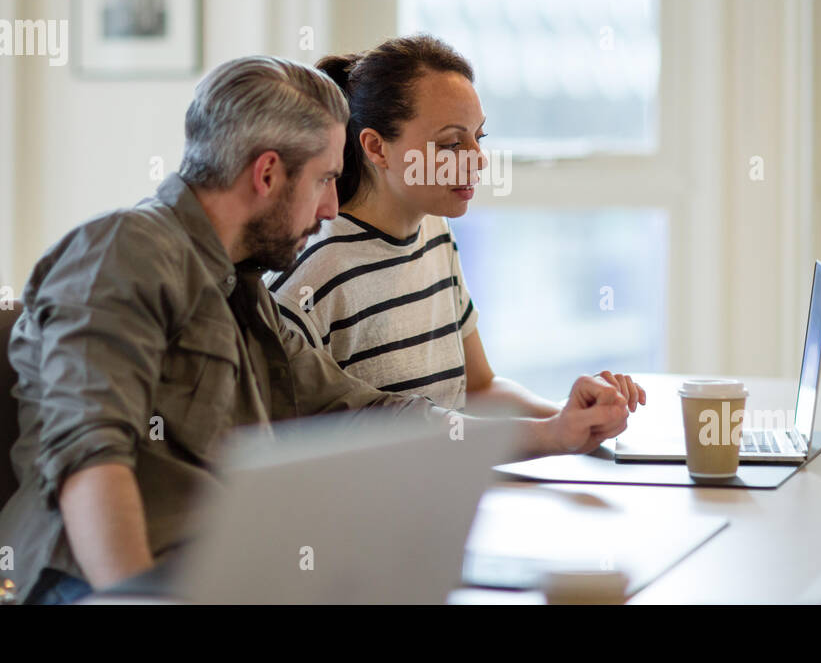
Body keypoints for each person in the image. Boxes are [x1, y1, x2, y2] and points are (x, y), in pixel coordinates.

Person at [0, 55, 640, 604]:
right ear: (267, 174)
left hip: (222, 571)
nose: (332, 207)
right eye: (326, 180)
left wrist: (549, 432)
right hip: (102, 585)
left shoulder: (241, 286)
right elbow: (91, 459)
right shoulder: (128, 252)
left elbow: (358, 411)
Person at [266, 34, 646, 419]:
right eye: (451, 144)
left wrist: (570, 414)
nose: (479, 161)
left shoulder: (434, 232)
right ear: (377, 148)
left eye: (478, 137)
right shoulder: (314, 270)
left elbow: (480, 389)